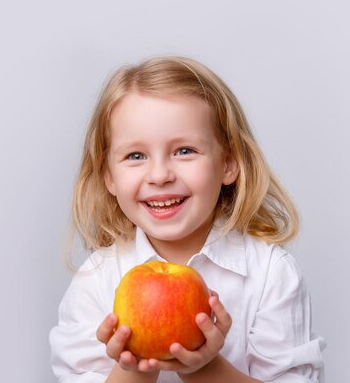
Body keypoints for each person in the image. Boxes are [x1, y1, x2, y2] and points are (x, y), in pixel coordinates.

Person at [49, 56, 325, 383]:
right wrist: (131, 367)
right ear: (109, 176)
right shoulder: (95, 282)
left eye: (184, 151)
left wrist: (206, 368)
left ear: (228, 164)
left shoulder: (271, 275)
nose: (161, 175)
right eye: (136, 156)